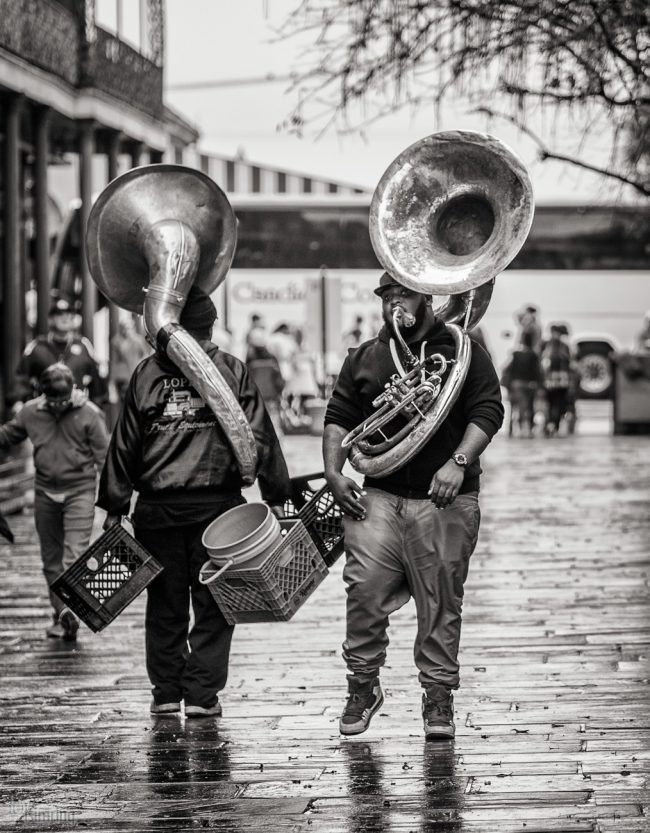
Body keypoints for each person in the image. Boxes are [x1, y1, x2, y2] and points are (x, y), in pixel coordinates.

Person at [323, 272, 504, 739]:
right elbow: (339, 418)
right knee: (362, 590)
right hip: (379, 493)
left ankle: (438, 697)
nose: (393, 304)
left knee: (441, 599)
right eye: (387, 296)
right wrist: (334, 472)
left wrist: (459, 461)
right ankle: (363, 686)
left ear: (426, 297)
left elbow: (489, 409)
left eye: (402, 294)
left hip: (446, 497)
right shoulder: (365, 357)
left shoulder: (463, 351)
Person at [97, 287, 292, 718]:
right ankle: (202, 695)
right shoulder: (232, 370)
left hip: (156, 512)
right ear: (211, 327)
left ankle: (166, 691)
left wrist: (114, 506)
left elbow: (124, 443)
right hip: (219, 514)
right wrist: (277, 495)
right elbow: (259, 436)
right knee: (215, 604)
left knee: (165, 603)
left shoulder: (147, 373)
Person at [0, 363, 109, 639]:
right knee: (51, 560)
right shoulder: (30, 412)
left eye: (64, 400)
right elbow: (8, 436)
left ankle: (69, 611)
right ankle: (62, 614)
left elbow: (104, 458)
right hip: (45, 491)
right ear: (43, 394)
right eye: (54, 401)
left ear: (73, 389)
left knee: (74, 557)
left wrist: (113, 504)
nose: (60, 406)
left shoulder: (90, 415)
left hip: (80, 490)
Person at [9, 297, 107, 411]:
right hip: (44, 414)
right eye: (59, 314)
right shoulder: (37, 347)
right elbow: (20, 378)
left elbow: (97, 382)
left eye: (69, 314)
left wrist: (97, 407)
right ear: (50, 319)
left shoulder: (84, 345)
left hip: (76, 413)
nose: (65, 317)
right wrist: (18, 402)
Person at [500, 330, 543, 437]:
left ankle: (511, 430)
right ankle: (525, 430)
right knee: (526, 408)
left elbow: (506, 368)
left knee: (514, 407)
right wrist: (539, 384)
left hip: (516, 384)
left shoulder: (515, 354)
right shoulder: (533, 355)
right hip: (529, 385)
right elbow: (537, 371)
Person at [245, 328, 285, 436]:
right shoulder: (272, 359)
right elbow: (279, 381)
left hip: (256, 399)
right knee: (274, 425)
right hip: (271, 398)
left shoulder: (250, 360)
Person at [541, 323, 574, 436]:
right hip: (550, 380)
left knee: (560, 403)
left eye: (557, 333)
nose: (555, 335)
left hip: (561, 380)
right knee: (550, 403)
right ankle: (551, 424)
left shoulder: (564, 346)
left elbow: (569, 362)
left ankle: (555, 424)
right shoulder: (546, 344)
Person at [110, 316, 151, 403]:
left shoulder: (138, 340)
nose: (127, 330)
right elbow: (114, 362)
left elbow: (146, 356)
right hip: (123, 378)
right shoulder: (116, 341)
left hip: (136, 375)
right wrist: (111, 384)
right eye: (125, 327)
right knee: (125, 402)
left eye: (130, 327)